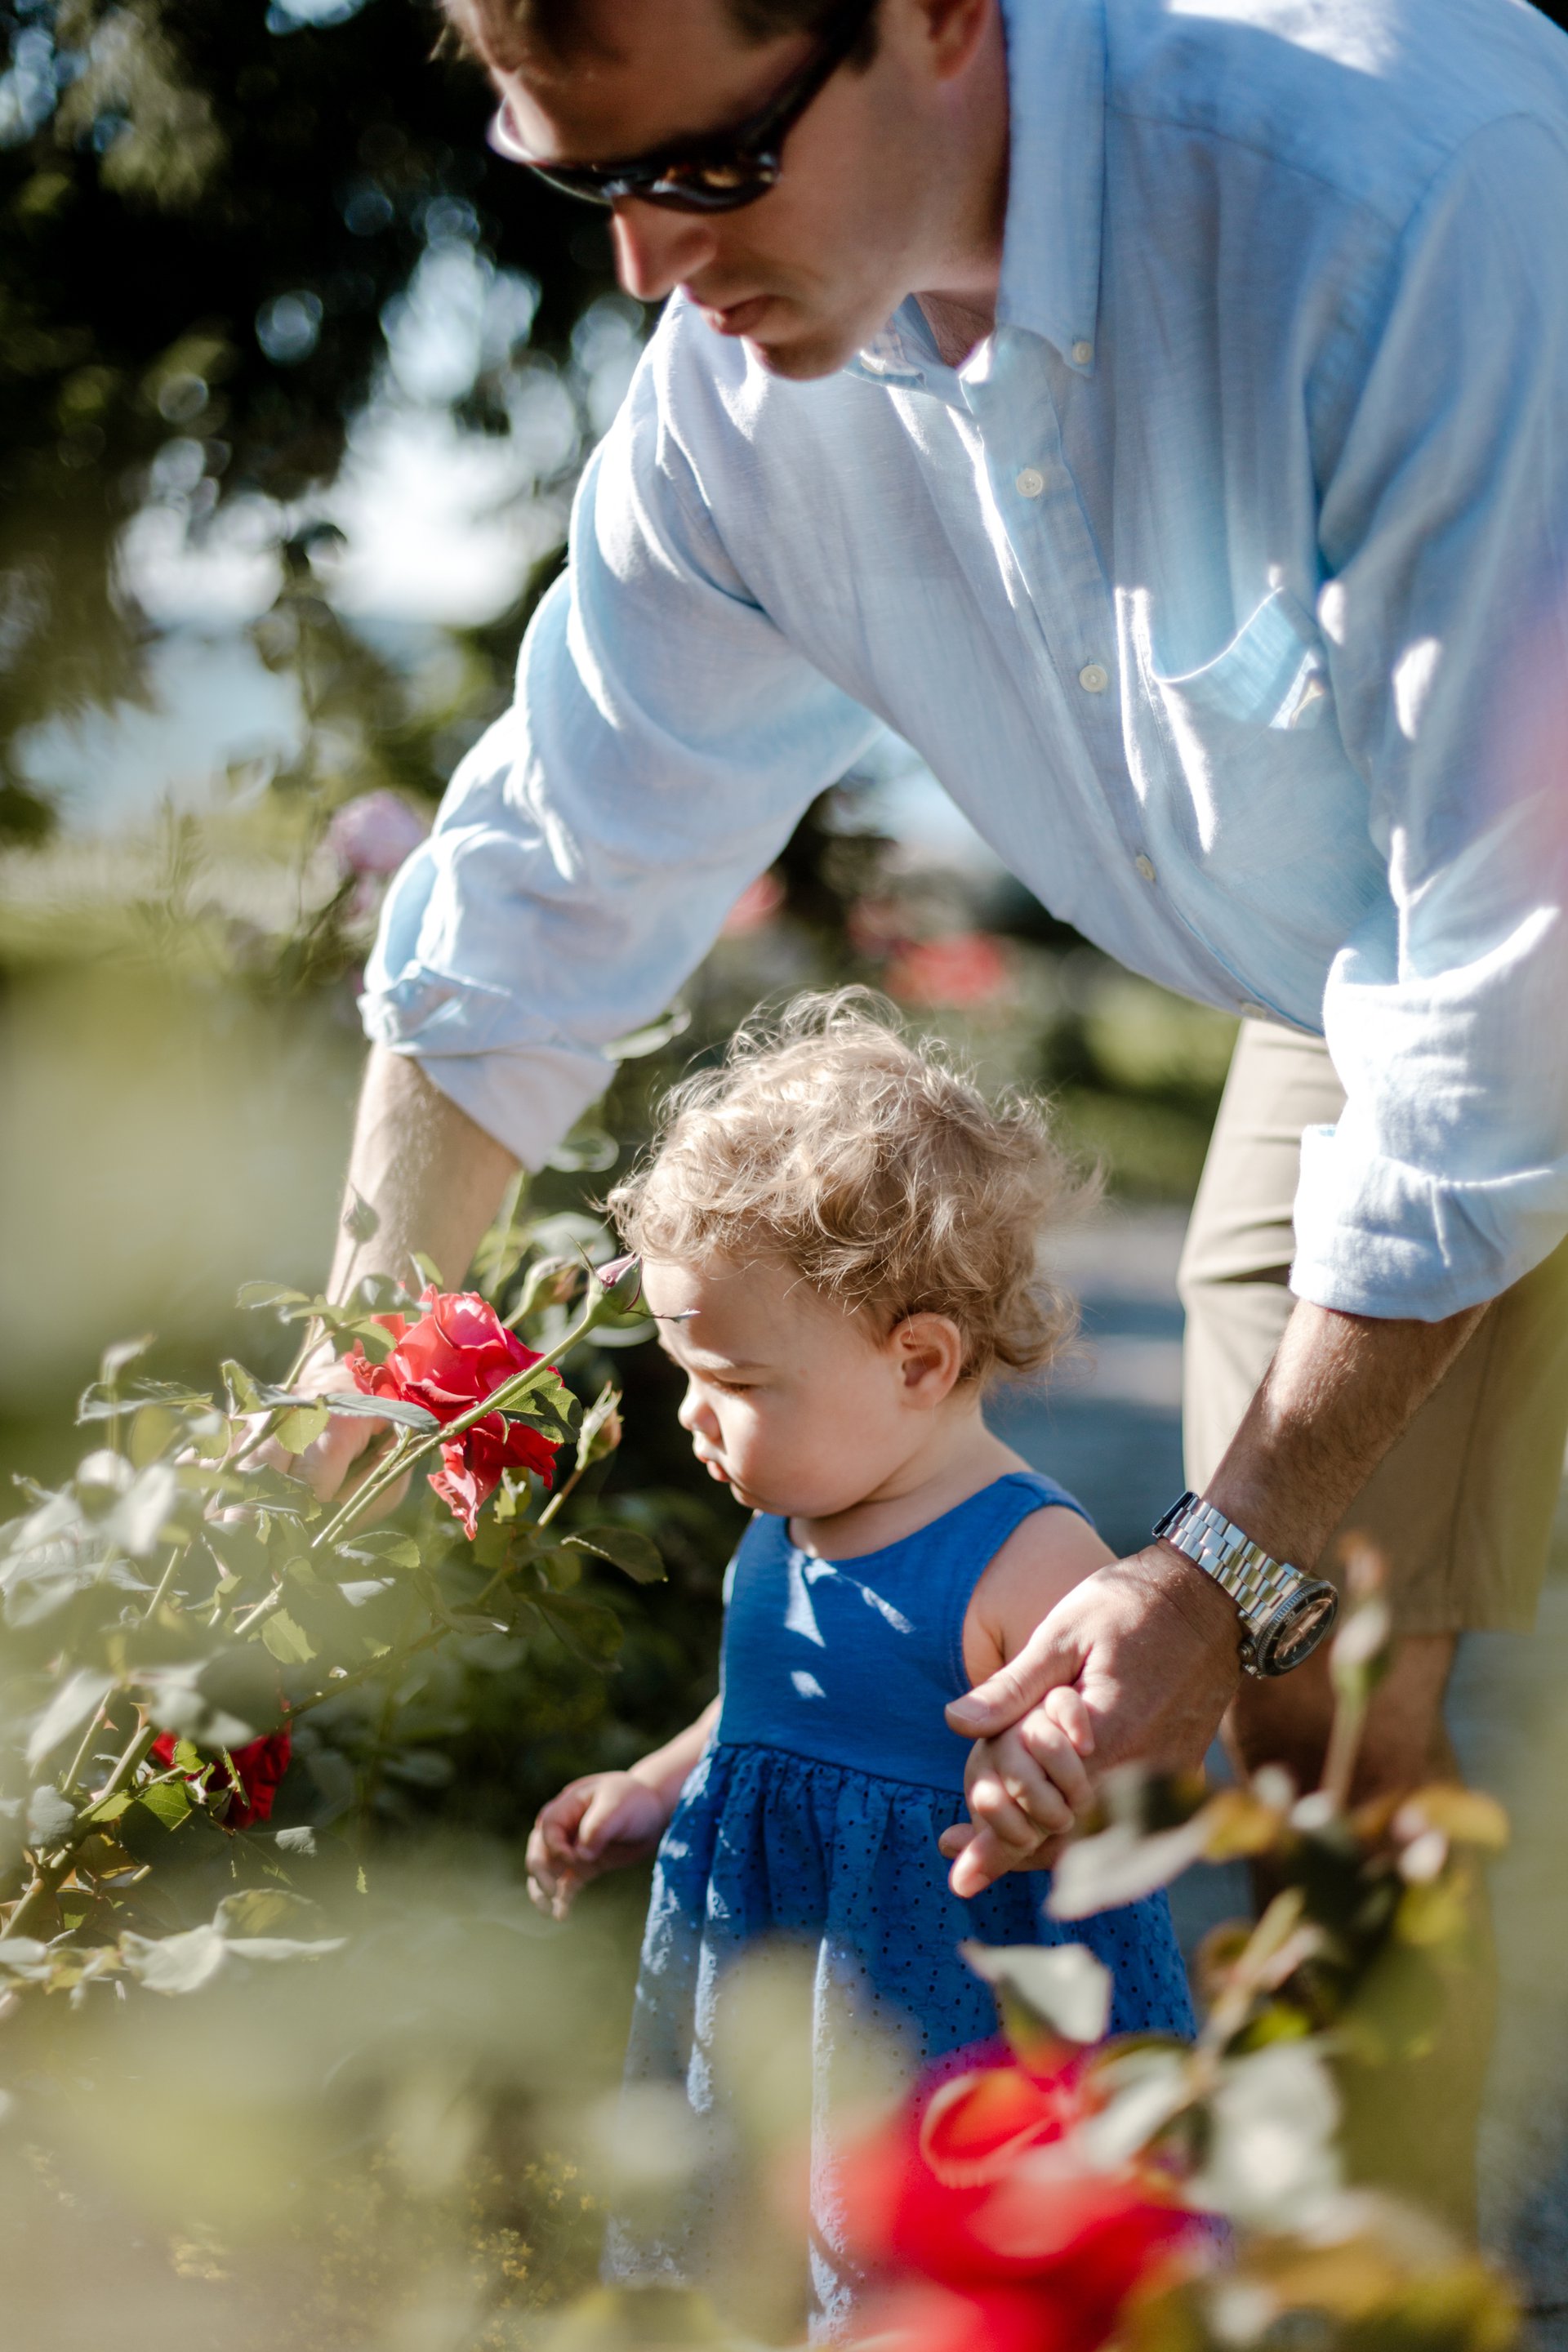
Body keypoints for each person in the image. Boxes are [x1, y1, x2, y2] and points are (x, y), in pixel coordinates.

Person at [280, 0, 1568, 2209]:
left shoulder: (1396, 205)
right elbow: (548, 883)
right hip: (1377, 964)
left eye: (706, 166)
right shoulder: (738, 403)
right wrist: (361, 1363)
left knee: (1273, 1583)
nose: (646, 266)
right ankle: (1344, 2266)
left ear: (944, 16)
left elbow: (1509, 995)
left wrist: (1214, 1560)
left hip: (1513, 923)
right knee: (1317, 1700)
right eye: (589, 181)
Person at [523, 994, 1194, 2332]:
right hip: (777, 1962)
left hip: (940, 2004)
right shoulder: (788, 1524)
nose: (693, 1415)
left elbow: (1133, 1762)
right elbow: (759, 1703)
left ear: (918, 1361)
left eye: (735, 1381)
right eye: (684, 1370)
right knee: (761, 2230)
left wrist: (1055, 1781)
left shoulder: (1026, 1557)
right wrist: (658, 1783)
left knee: (936, 2270)